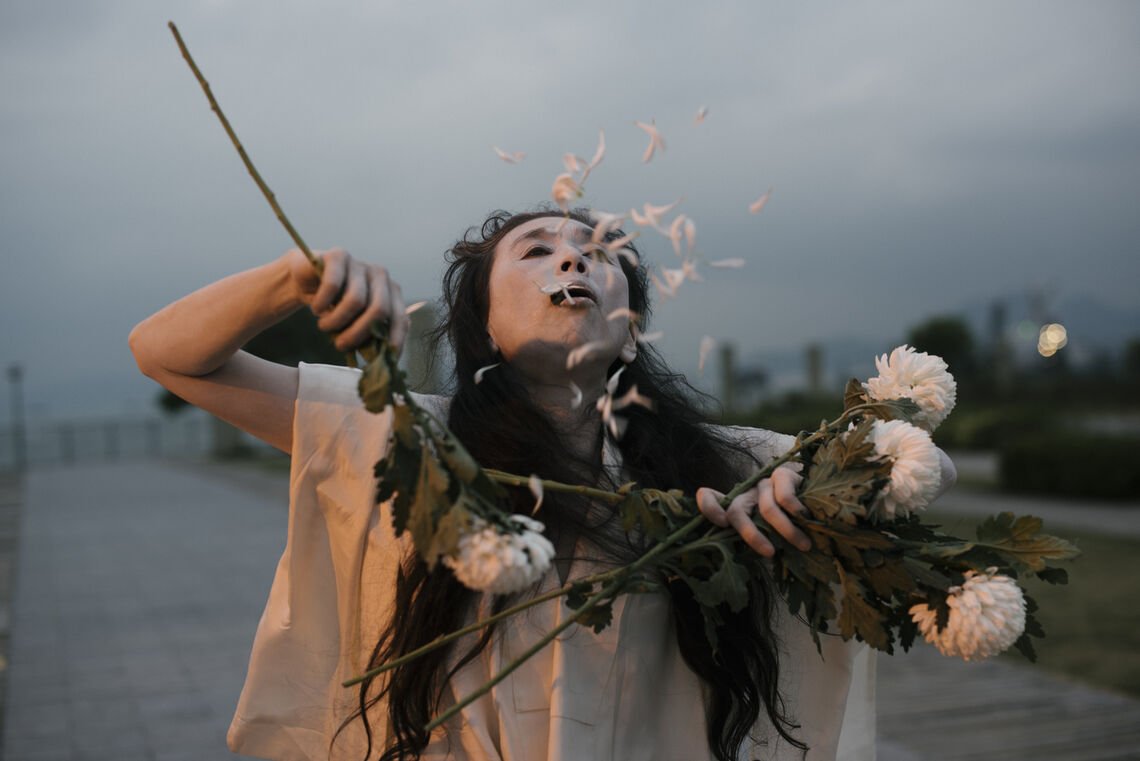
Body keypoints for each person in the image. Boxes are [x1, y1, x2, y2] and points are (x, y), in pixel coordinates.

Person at [129, 208, 956, 761]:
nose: (574, 257)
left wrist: (802, 488)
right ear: (483, 324)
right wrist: (288, 281)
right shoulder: (406, 435)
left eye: (599, 255)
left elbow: (921, 465)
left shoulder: (711, 459)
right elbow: (167, 352)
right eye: (537, 251)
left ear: (630, 323)